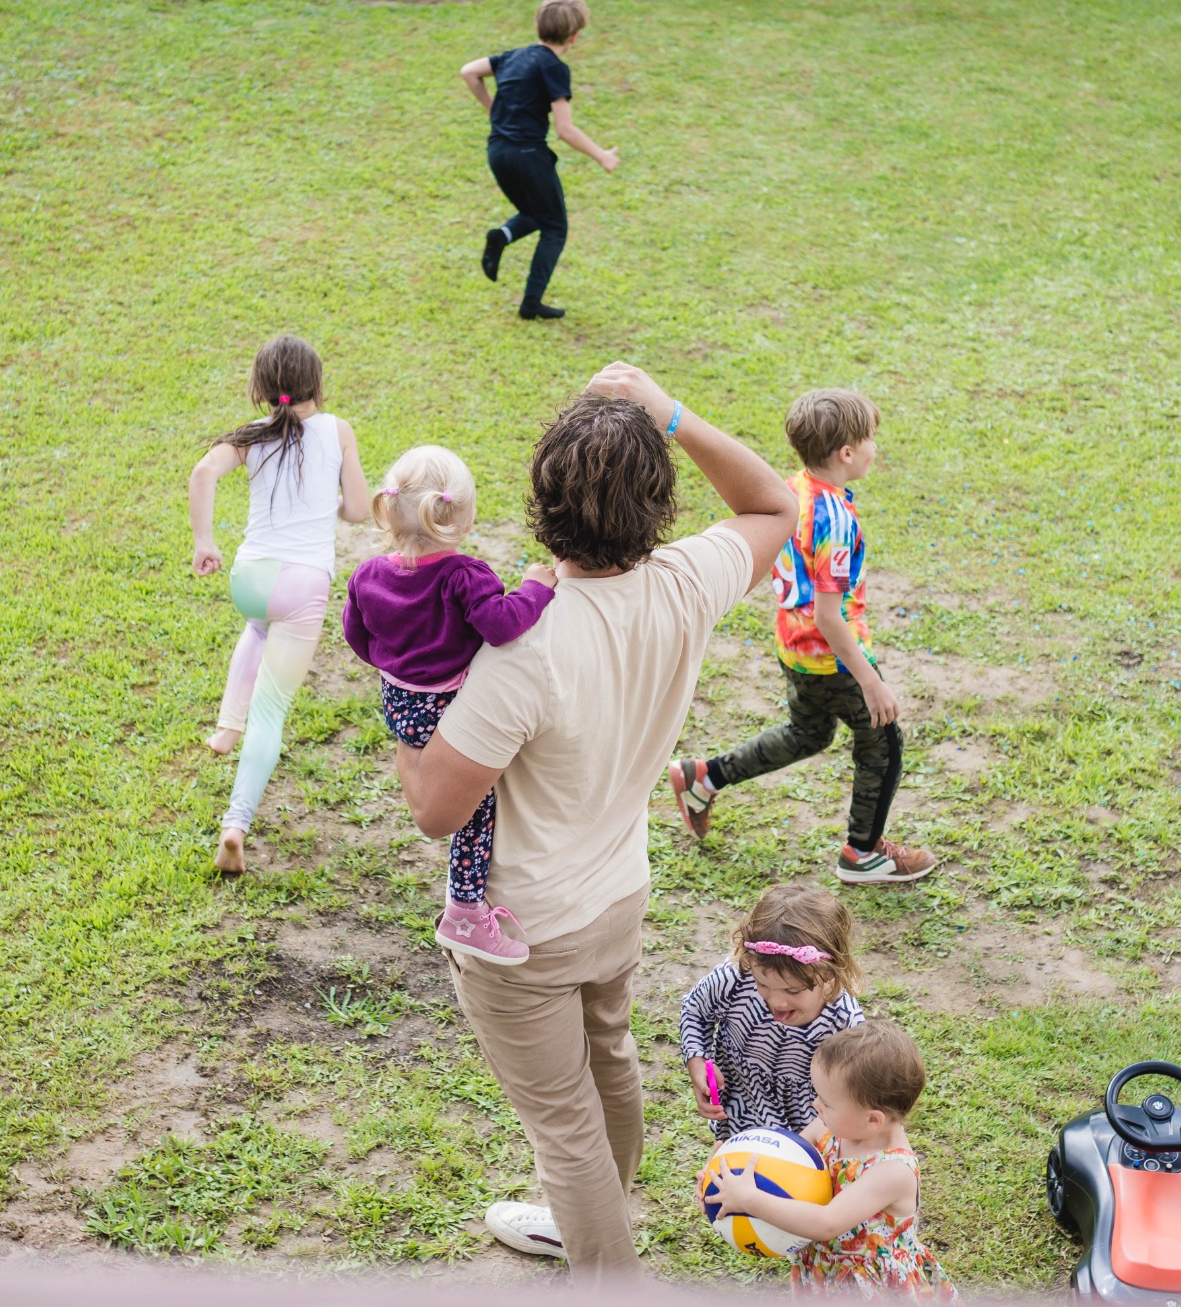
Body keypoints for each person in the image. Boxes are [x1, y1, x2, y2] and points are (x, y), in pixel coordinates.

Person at [392, 362, 797, 1281]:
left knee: (564, 1126)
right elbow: (774, 504)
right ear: (657, 503)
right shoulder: (685, 580)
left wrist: (405, 697)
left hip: (525, 932)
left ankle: (607, 1271)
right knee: (608, 1062)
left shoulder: (522, 647)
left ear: (543, 501)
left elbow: (434, 809)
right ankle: (590, 1219)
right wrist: (672, 412)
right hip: (616, 897)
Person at [668, 389, 939, 884]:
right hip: (833, 656)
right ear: (848, 453)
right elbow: (830, 616)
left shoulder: (792, 490)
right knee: (883, 744)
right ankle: (863, 853)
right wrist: (872, 682)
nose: (876, 447)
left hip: (794, 647)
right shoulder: (835, 520)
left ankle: (704, 776)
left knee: (808, 732)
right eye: (870, 438)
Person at [342, 446, 559, 965]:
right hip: (446, 706)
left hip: (398, 703)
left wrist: (395, 664)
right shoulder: (464, 576)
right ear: (461, 517)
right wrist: (536, 587)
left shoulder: (367, 575)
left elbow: (356, 635)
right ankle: (464, 910)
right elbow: (502, 625)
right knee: (475, 808)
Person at [188, 335, 371, 874]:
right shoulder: (337, 430)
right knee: (271, 710)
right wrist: (327, 502)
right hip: (301, 585)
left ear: (262, 387)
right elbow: (358, 510)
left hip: (249, 578)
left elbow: (202, 473)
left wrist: (204, 542)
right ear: (316, 383)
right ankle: (235, 825)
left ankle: (226, 729)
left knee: (258, 627)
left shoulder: (251, 435)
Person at [709, 1022, 958, 1301]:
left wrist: (748, 1199)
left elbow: (827, 1223)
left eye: (826, 1103)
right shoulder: (829, 1128)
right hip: (824, 1271)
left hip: (870, 1287)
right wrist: (722, 1172)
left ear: (872, 1119)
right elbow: (779, 1164)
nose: (815, 1105)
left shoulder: (893, 1171)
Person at [459, 0, 619, 321]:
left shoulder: (512, 57)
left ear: (538, 27)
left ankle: (501, 237)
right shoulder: (554, 68)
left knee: (535, 213)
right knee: (555, 227)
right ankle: (531, 303)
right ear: (574, 36)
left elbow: (469, 72)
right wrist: (601, 155)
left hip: (498, 152)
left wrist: (494, 109)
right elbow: (565, 129)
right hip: (527, 155)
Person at [681, 885, 865, 1141]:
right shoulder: (734, 980)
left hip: (810, 1128)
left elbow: (853, 1093)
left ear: (828, 973)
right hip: (742, 1110)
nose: (777, 1002)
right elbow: (695, 1010)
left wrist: (804, 1144)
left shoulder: (844, 1022)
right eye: (763, 984)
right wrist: (697, 1061)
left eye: (792, 990)